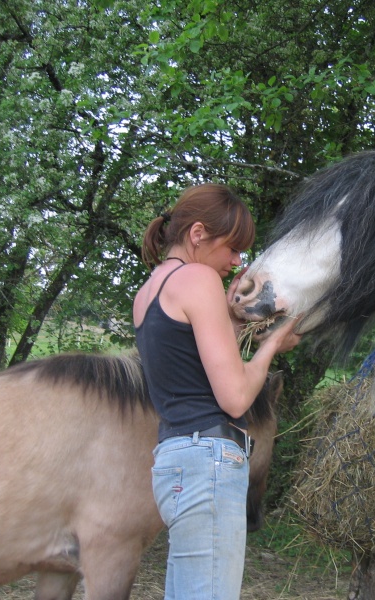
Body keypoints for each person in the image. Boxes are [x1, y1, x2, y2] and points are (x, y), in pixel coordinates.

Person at [133, 183, 302, 599]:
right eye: (232, 247)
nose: (237, 261)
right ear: (197, 234)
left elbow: (197, 373)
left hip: (174, 459)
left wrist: (235, 321)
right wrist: (271, 346)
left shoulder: (150, 290)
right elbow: (235, 397)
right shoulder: (197, 278)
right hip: (209, 460)